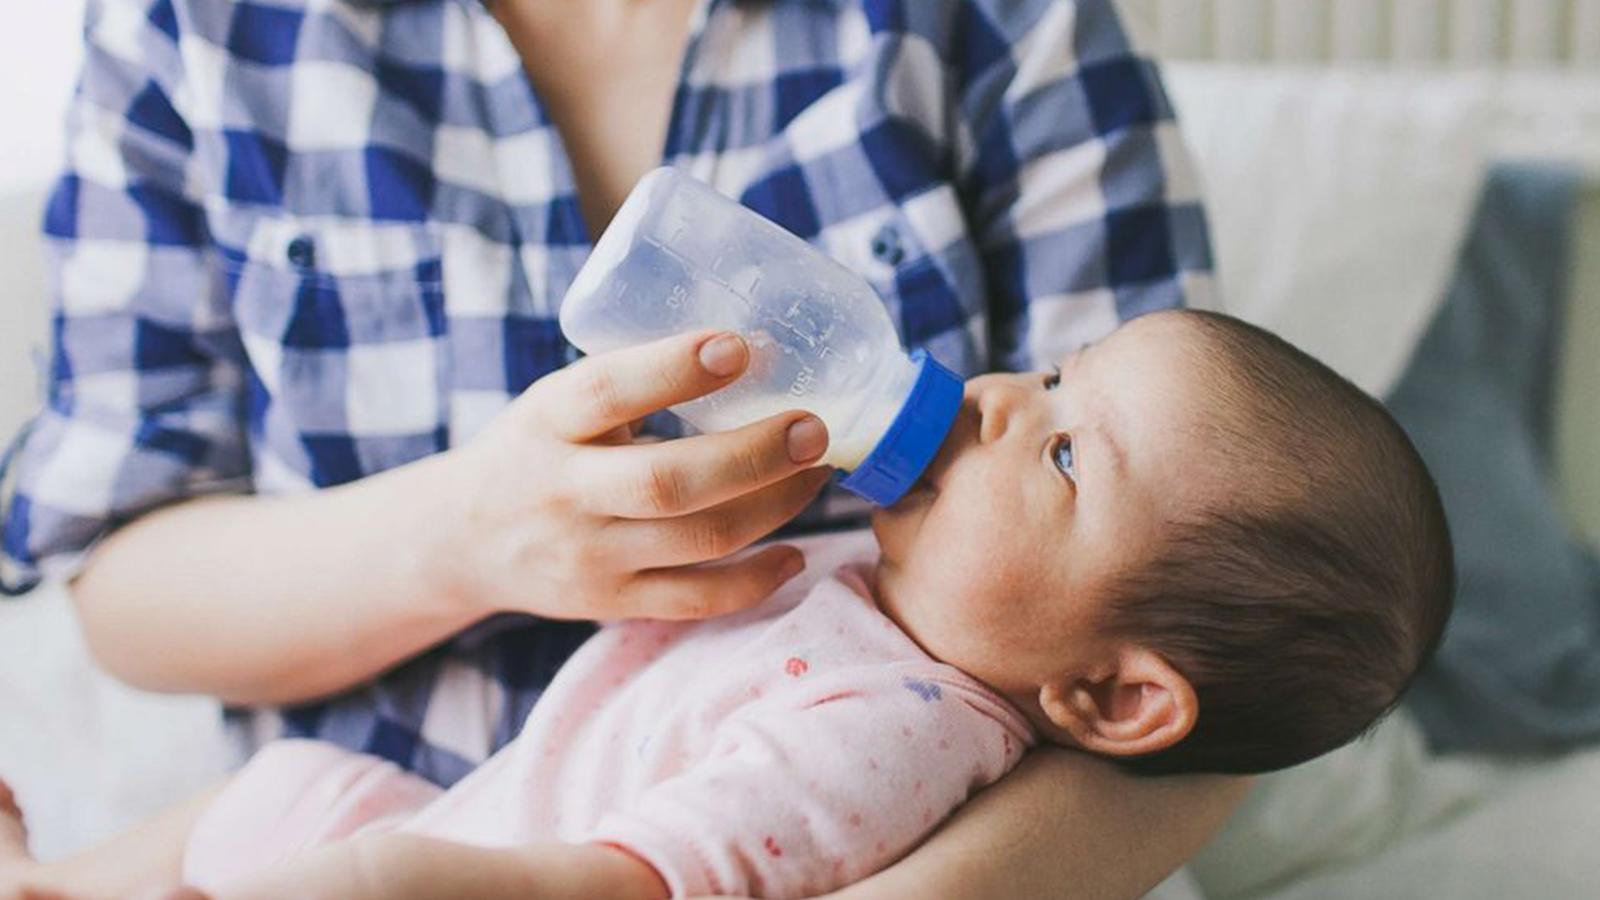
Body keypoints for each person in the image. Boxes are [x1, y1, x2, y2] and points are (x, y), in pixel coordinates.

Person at [0, 0, 1241, 894]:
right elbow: (119, 573)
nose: (998, 396)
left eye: (1057, 417)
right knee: (276, 814)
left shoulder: (996, 25)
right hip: (384, 810)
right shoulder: (199, 37)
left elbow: (1220, 592)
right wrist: (456, 541)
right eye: (1041, 379)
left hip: (944, 853)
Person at [0, 311, 1454, 898]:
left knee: (320, 850)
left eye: (1068, 450)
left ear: (1115, 697)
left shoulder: (895, 728)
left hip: (501, 884)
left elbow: (636, 883)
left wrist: (394, 883)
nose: (1004, 395)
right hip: (454, 820)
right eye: (1060, 371)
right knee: (282, 786)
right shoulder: (887, 586)